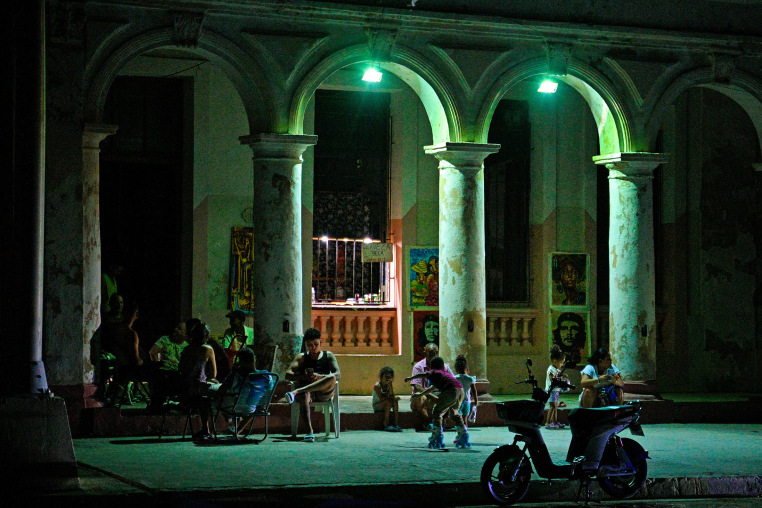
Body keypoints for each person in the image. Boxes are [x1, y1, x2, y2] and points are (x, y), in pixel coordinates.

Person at [284, 328, 341, 442]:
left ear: (320, 342)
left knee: (331, 377)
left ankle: (296, 392)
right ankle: (309, 432)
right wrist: (303, 377)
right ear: (305, 345)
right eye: (309, 345)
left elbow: (338, 374)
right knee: (304, 395)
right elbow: (288, 374)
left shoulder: (328, 356)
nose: (313, 347)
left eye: (316, 344)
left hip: (324, 392)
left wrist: (319, 376)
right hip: (308, 393)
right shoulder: (302, 357)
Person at [405, 356, 470, 449]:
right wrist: (421, 395)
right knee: (454, 412)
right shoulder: (444, 375)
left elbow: (422, 374)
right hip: (460, 390)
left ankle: (437, 435)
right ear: (443, 366)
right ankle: (463, 433)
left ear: (431, 366)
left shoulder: (434, 372)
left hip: (451, 391)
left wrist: (411, 378)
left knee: (437, 411)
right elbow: (432, 388)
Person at [178, 320, 217, 441]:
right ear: (206, 336)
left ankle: (205, 430)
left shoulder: (186, 349)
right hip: (198, 391)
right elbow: (214, 373)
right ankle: (206, 429)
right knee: (211, 391)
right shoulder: (208, 349)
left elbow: (181, 369)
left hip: (185, 389)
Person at [216, 347, 265, 436]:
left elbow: (222, 390)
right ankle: (238, 429)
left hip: (235, 407)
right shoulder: (266, 376)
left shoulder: (236, 375)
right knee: (253, 402)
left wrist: (233, 372)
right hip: (254, 407)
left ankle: (209, 430)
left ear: (240, 362)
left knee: (213, 397)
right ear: (254, 359)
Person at [104, 301, 144, 405]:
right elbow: (136, 359)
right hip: (127, 369)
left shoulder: (115, 329)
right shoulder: (131, 334)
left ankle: (117, 396)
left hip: (118, 367)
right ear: (136, 315)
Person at [409, 343, 453, 431]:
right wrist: (433, 397)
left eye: (436, 353)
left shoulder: (444, 367)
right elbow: (417, 386)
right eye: (432, 353)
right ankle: (428, 422)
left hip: (438, 394)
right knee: (417, 397)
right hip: (426, 395)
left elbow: (452, 382)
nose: (434, 355)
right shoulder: (418, 367)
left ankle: (443, 422)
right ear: (425, 353)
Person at [145, 321, 188, 412]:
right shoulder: (165, 340)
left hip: (178, 373)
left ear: (185, 334)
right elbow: (153, 352)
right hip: (164, 371)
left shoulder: (187, 346)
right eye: (177, 327)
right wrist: (156, 365)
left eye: (179, 328)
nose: (176, 329)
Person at [543, 345, 570, 429]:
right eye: (561, 362)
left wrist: (562, 376)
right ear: (554, 361)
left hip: (555, 390)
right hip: (551, 391)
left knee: (555, 406)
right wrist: (559, 378)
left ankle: (554, 422)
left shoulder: (556, 369)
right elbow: (552, 379)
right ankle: (547, 422)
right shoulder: (551, 369)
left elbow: (557, 376)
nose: (562, 364)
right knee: (552, 406)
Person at [372, 366, 402, 432]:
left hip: (385, 403)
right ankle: (386, 423)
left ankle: (395, 423)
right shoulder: (377, 386)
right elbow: (381, 397)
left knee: (395, 402)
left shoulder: (388, 385)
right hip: (377, 405)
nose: (388, 379)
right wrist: (392, 398)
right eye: (386, 377)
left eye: (390, 377)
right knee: (389, 401)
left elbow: (391, 395)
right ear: (381, 377)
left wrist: (390, 387)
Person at [453, 355, 478, 428]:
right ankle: (465, 434)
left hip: (458, 402)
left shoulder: (455, 379)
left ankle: (460, 434)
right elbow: (474, 391)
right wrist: (476, 401)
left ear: (456, 370)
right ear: (467, 369)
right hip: (467, 401)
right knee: (465, 419)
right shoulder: (470, 379)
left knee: (458, 419)